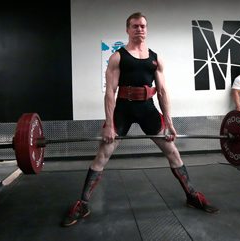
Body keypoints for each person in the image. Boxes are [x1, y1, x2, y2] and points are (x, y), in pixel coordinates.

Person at [61, 12, 219, 227]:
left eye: (143, 26)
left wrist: (170, 123)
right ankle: (83, 203)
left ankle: (192, 196)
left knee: (173, 151)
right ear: (128, 29)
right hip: (123, 111)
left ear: (146, 29)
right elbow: (110, 93)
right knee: (103, 153)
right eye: (135, 26)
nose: (140, 29)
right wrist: (109, 124)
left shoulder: (155, 57)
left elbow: (162, 92)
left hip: (148, 110)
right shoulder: (118, 56)